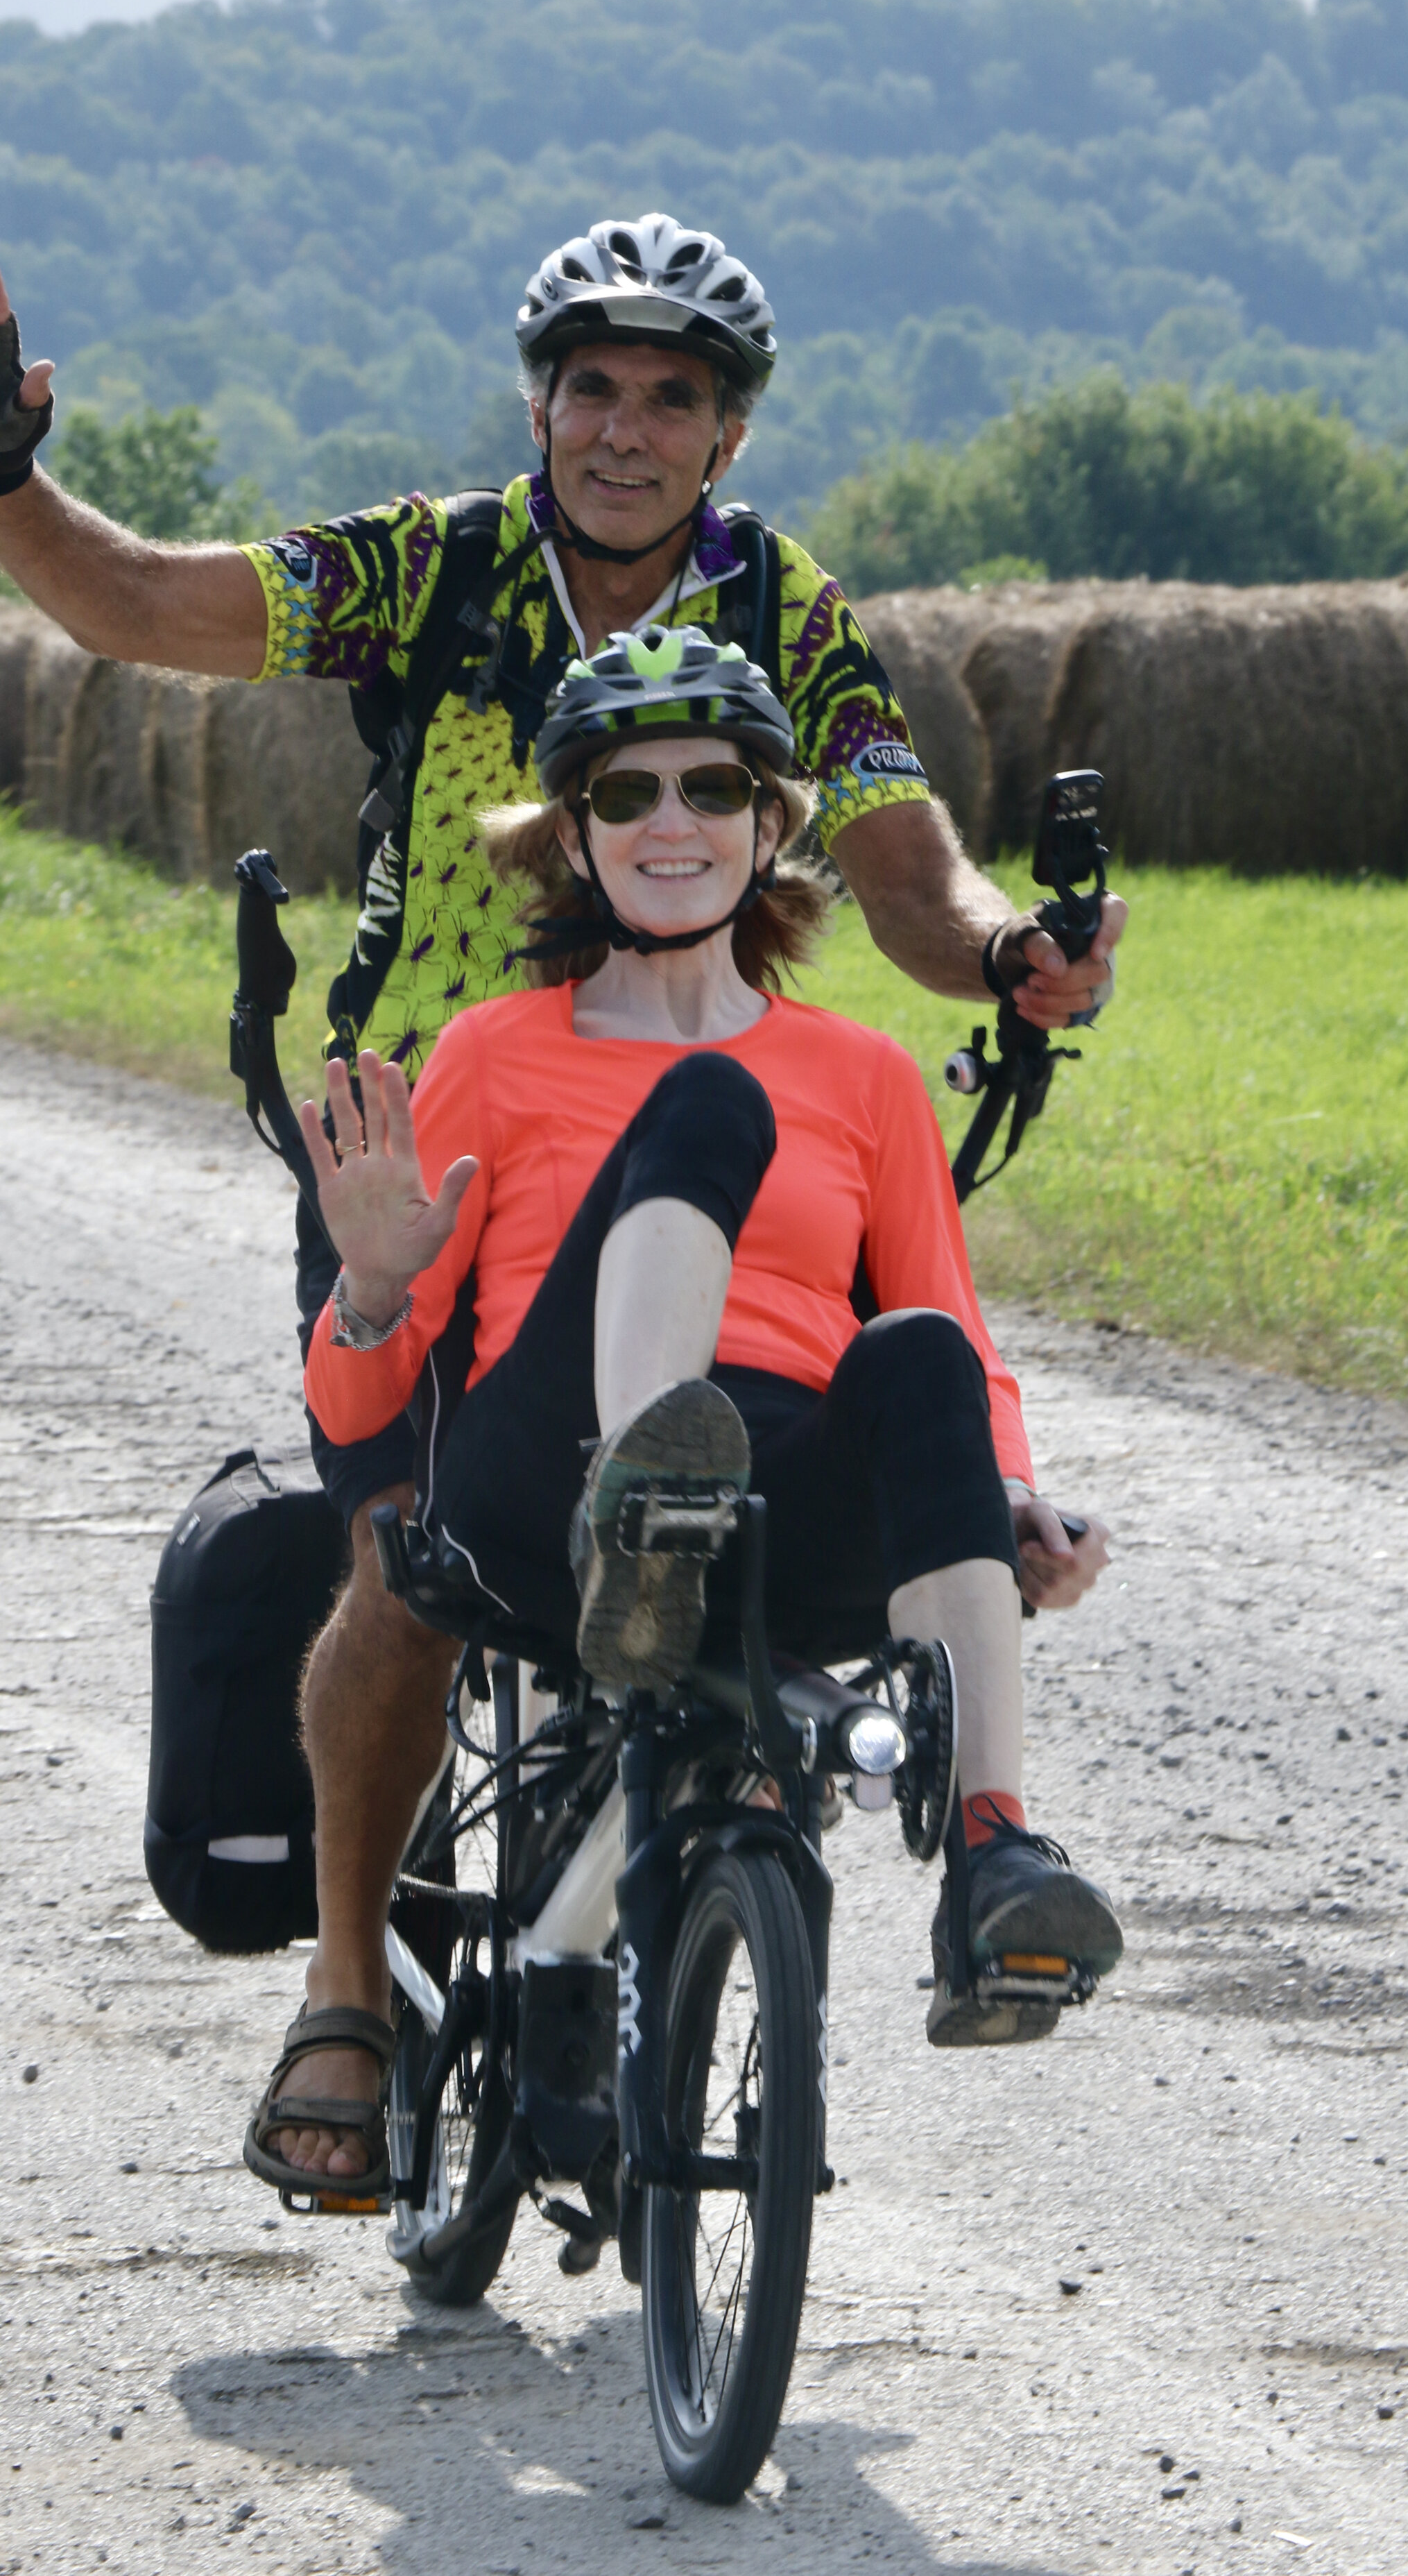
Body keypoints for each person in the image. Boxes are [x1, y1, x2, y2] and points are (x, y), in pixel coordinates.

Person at [240, 624, 1121, 2202]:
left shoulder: (861, 1078)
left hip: (777, 1485)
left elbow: (962, 1345)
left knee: (908, 1344)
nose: (670, 821)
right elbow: (365, 1402)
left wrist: (1010, 1503)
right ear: (570, 833)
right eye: (623, 790)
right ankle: (641, 1513)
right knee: (704, 1101)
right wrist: (370, 1289)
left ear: (770, 826)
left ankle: (993, 1854)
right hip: (541, 1490)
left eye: (711, 786)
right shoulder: (494, 1056)